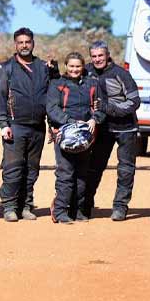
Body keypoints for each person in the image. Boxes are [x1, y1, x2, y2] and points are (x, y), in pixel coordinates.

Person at [0, 27, 60, 221]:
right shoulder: (6, 68)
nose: (24, 45)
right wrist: (3, 124)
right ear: (15, 44)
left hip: (37, 126)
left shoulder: (43, 67)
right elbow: (0, 97)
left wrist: (55, 70)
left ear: (33, 43)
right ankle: (9, 207)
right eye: (21, 42)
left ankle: (26, 205)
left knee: (32, 170)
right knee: (13, 168)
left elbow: (55, 94)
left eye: (28, 42)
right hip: (15, 126)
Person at [80, 40, 141, 221]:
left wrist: (109, 108)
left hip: (126, 128)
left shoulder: (121, 74)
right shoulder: (87, 71)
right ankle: (85, 205)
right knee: (94, 167)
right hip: (101, 129)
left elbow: (134, 102)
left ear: (107, 55)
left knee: (125, 169)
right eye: (94, 56)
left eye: (100, 55)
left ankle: (120, 207)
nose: (97, 59)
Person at [46, 52, 104, 224]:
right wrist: (70, 122)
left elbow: (100, 106)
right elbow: (52, 108)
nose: (74, 69)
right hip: (63, 135)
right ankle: (60, 211)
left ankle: (77, 210)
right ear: (66, 66)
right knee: (65, 173)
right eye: (71, 66)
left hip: (85, 137)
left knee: (81, 174)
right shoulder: (57, 84)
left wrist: (94, 119)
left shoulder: (92, 84)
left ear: (83, 67)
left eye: (78, 66)